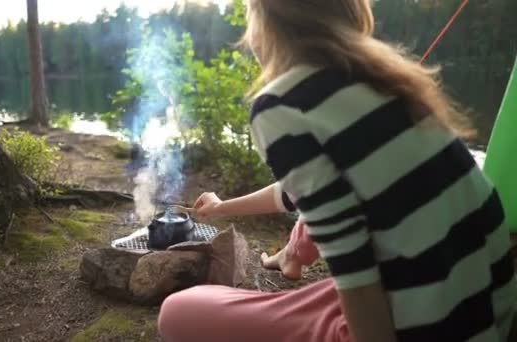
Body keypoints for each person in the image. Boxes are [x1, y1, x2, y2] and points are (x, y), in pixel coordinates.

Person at [157, 0, 517, 341]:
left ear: (267, 18)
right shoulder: (384, 76)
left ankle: (290, 261)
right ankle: (290, 258)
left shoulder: (281, 104)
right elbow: (304, 188)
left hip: (420, 324)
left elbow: (356, 274)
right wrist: (221, 207)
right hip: (482, 305)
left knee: (178, 311)